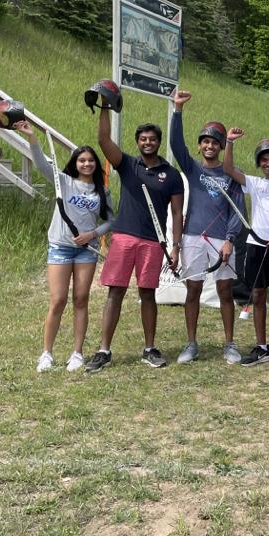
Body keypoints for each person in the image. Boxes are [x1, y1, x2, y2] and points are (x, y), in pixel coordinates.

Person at [85, 110, 184, 372]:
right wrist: (105, 107)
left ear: (158, 142)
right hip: (124, 237)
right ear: (137, 142)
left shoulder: (171, 175)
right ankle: (103, 350)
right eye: (143, 139)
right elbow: (104, 140)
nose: (147, 142)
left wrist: (176, 247)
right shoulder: (128, 164)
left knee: (147, 294)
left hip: (153, 241)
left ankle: (150, 349)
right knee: (115, 292)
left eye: (152, 139)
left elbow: (176, 212)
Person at [16, 122, 112, 373]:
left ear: (96, 164)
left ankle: (77, 353)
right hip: (60, 247)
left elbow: (113, 221)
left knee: (81, 299)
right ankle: (46, 353)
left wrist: (93, 233)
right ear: (75, 163)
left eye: (91, 160)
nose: (87, 164)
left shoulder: (102, 192)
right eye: (82, 160)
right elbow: (40, 164)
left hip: (86, 251)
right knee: (57, 300)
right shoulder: (64, 182)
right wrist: (32, 138)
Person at [170, 90, 245, 365]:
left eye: (215, 142)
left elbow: (238, 210)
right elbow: (176, 146)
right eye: (205, 141)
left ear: (221, 147)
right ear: (200, 145)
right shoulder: (192, 169)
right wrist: (177, 111)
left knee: (225, 291)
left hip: (221, 240)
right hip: (193, 237)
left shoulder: (230, 175)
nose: (210, 146)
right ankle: (191, 344)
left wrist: (230, 239)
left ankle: (229, 344)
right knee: (193, 290)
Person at [222, 128, 269, 367]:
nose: (268, 163)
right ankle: (262, 346)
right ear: (259, 162)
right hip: (256, 244)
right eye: (264, 160)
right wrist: (229, 142)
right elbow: (228, 169)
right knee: (257, 295)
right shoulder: (253, 183)